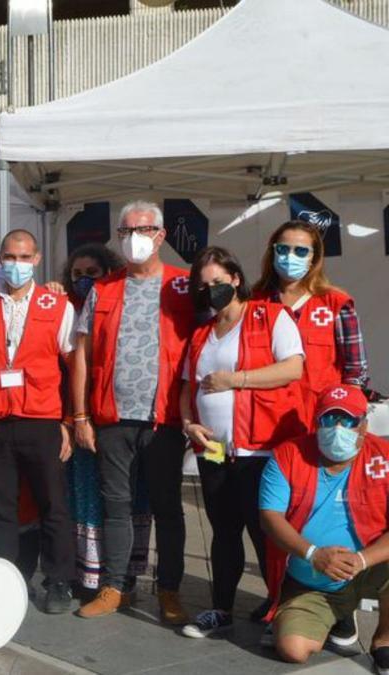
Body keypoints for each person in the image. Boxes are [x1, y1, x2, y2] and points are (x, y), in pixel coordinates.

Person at [72, 200, 196, 623]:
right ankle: (115, 587)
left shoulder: (183, 286)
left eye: (141, 230)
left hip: (164, 421)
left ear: (160, 235)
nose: (132, 239)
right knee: (116, 507)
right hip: (112, 419)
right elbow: (83, 356)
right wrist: (81, 417)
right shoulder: (103, 288)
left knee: (167, 508)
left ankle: (170, 591)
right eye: (125, 232)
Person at [179, 246, 306, 638]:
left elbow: (293, 367)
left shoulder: (270, 316)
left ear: (236, 279)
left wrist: (236, 379)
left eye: (218, 281)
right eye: (203, 285)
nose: (211, 289)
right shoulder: (202, 333)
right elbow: (187, 386)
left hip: (261, 449)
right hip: (215, 449)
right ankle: (221, 609)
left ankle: (280, 609)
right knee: (224, 530)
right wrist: (188, 423)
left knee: (265, 532)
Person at [0, 230, 77, 614]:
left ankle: (59, 580)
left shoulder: (57, 304)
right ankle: (2, 576)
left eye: (24, 257)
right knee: (1, 505)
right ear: (1, 259)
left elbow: (73, 364)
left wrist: (69, 419)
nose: (16, 264)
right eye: (10, 257)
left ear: (36, 260)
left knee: (53, 503)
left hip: (42, 418)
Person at [260, 385, 389, 670]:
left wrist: (361, 559)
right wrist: (314, 554)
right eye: (330, 419)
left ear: (364, 426)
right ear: (316, 422)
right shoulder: (288, 455)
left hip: (369, 567)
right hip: (312, 580)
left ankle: (383, 640)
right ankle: (336, 615)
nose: (339, 428)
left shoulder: (385, 457)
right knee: (294, 650)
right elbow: (270, 516)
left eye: (349, 420)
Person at [60, 243, 153, 594]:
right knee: (86, 494)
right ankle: (88, 573)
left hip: (119, 416)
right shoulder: (65, 311)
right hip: (80, 416)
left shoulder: (116, 306)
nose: (83, 281)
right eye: (77, 274)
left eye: (92, 274)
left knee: (125, 495)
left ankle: (123, 570)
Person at [252, 220, 368, 422]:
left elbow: (355, 371)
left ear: (314, 257)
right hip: (267, 416)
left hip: (320, 417)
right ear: (273, 252)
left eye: (301, 251)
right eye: (283, 249)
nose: (290, 256)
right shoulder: (254, 302)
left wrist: (342, 419)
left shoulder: (336, 303)